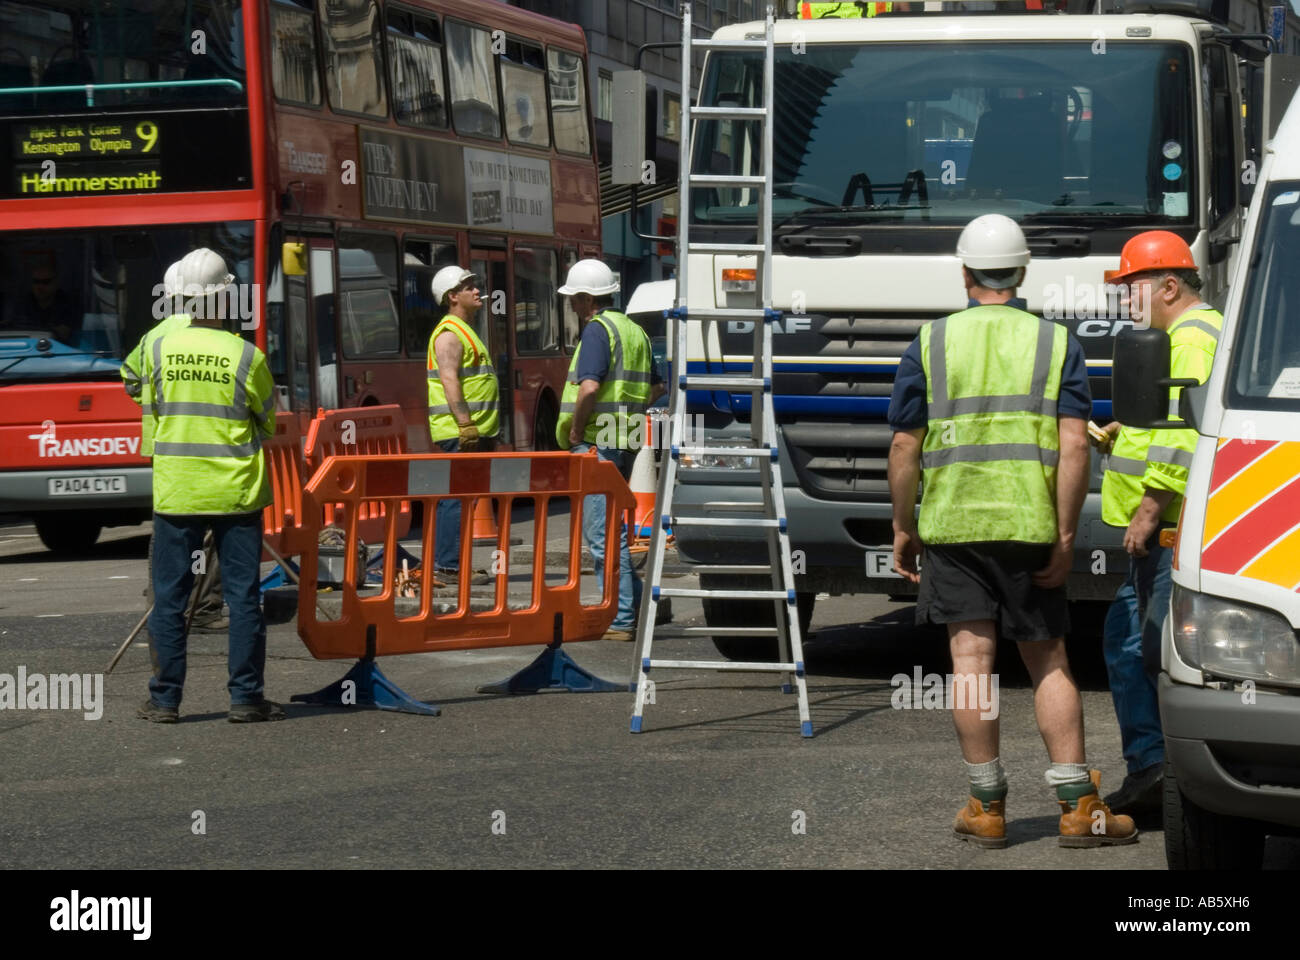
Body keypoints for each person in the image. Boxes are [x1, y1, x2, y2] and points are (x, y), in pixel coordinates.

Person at [887, 214, 1136, 849]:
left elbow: (903, 448)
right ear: (1023, 272)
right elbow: (1076, 446)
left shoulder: (931, 342)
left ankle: (987, 806)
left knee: (971, 663)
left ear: (965, 272)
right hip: (1028, 525)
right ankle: (1079, 806)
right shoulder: (1057, 344)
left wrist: (903, 525)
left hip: (953, 525)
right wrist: (1063, 534)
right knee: (1049, 657)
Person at [1096, 232, 1222, 815]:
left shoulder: (1191, 339)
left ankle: (1168, 782)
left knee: (1151, 651)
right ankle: (1152, 773)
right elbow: (1170, 417)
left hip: (1167, 530)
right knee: (1129, 647)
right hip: (1158, 534)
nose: (1124, 301)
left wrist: (1148, 511)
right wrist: (1128, 429)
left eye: (1131, 288)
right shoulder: (1177, 337)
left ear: (1169, 286)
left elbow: (1183, 438)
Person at [137, 247, 283, 723]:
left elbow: (142, 394)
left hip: (177, 492)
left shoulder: (156, 348)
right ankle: (244, 699)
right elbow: (267, 422)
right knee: (243, 599)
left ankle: (165, 701)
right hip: (235, 493)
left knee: (170, 599)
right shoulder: (247, 356)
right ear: (227, 298)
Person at [556, 259, 663, 641]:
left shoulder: (598, 331)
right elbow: (657, 387)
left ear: (586, 299)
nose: (571, 305)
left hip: (597, 441)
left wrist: (577, 430)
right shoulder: (635, 331)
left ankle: (621, 619)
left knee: (604, 535)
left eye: (573, 299)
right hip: (626, 439)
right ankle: (638, 605)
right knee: (614, 530)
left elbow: (588, 388)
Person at [123, 258, 229, 631]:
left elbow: (130, 376)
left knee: (169, 530)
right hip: (204, 444)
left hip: (164, 446)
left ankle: (163, 604)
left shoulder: (155, 335)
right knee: (212, 528)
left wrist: (156, 407)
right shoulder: (207, 331)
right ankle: (202, 607)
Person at [426, 265, 499, 583]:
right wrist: (466, 424)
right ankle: (448, 567)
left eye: (475, 285)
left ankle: (454, 563)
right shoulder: (449, 335)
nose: (476, 290)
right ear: (452, 296)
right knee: (455, 497)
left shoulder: (467, 331)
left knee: (463, 497)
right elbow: (449, 379)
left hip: (472, 432)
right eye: (468, 286)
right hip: (461, 432)